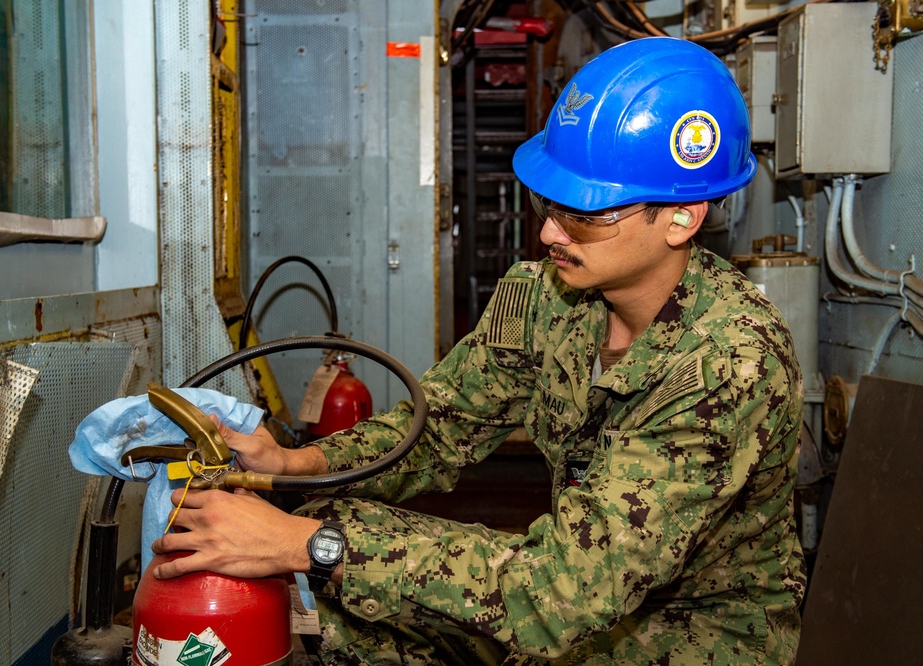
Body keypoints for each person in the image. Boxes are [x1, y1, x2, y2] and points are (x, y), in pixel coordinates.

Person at [151, 37, 806, 664]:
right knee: (333, 610)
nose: (550, 230)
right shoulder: (545, 297)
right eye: (549, 201)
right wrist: (296, 463)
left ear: (681, 217)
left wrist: (311, 544)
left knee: (327, 551)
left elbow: (563, 593)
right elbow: (436, 429)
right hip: (568, 603)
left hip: (693, 631)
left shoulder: (727, 363)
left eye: (585, 212)